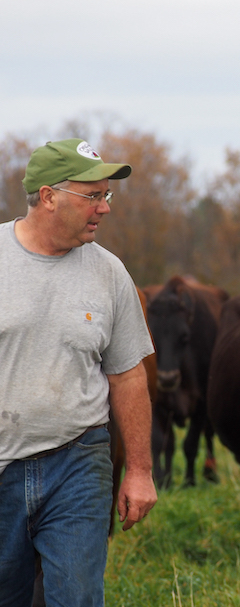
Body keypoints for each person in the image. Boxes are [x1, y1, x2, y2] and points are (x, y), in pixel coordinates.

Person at [0, 139, 158, 607]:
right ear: (48, 197)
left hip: (79, 462)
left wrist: (140, 470)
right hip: (3, 465)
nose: (105, 208)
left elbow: (129, 376)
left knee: (78, 596)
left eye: (108, 196)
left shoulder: (110, 273)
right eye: (94, 196)